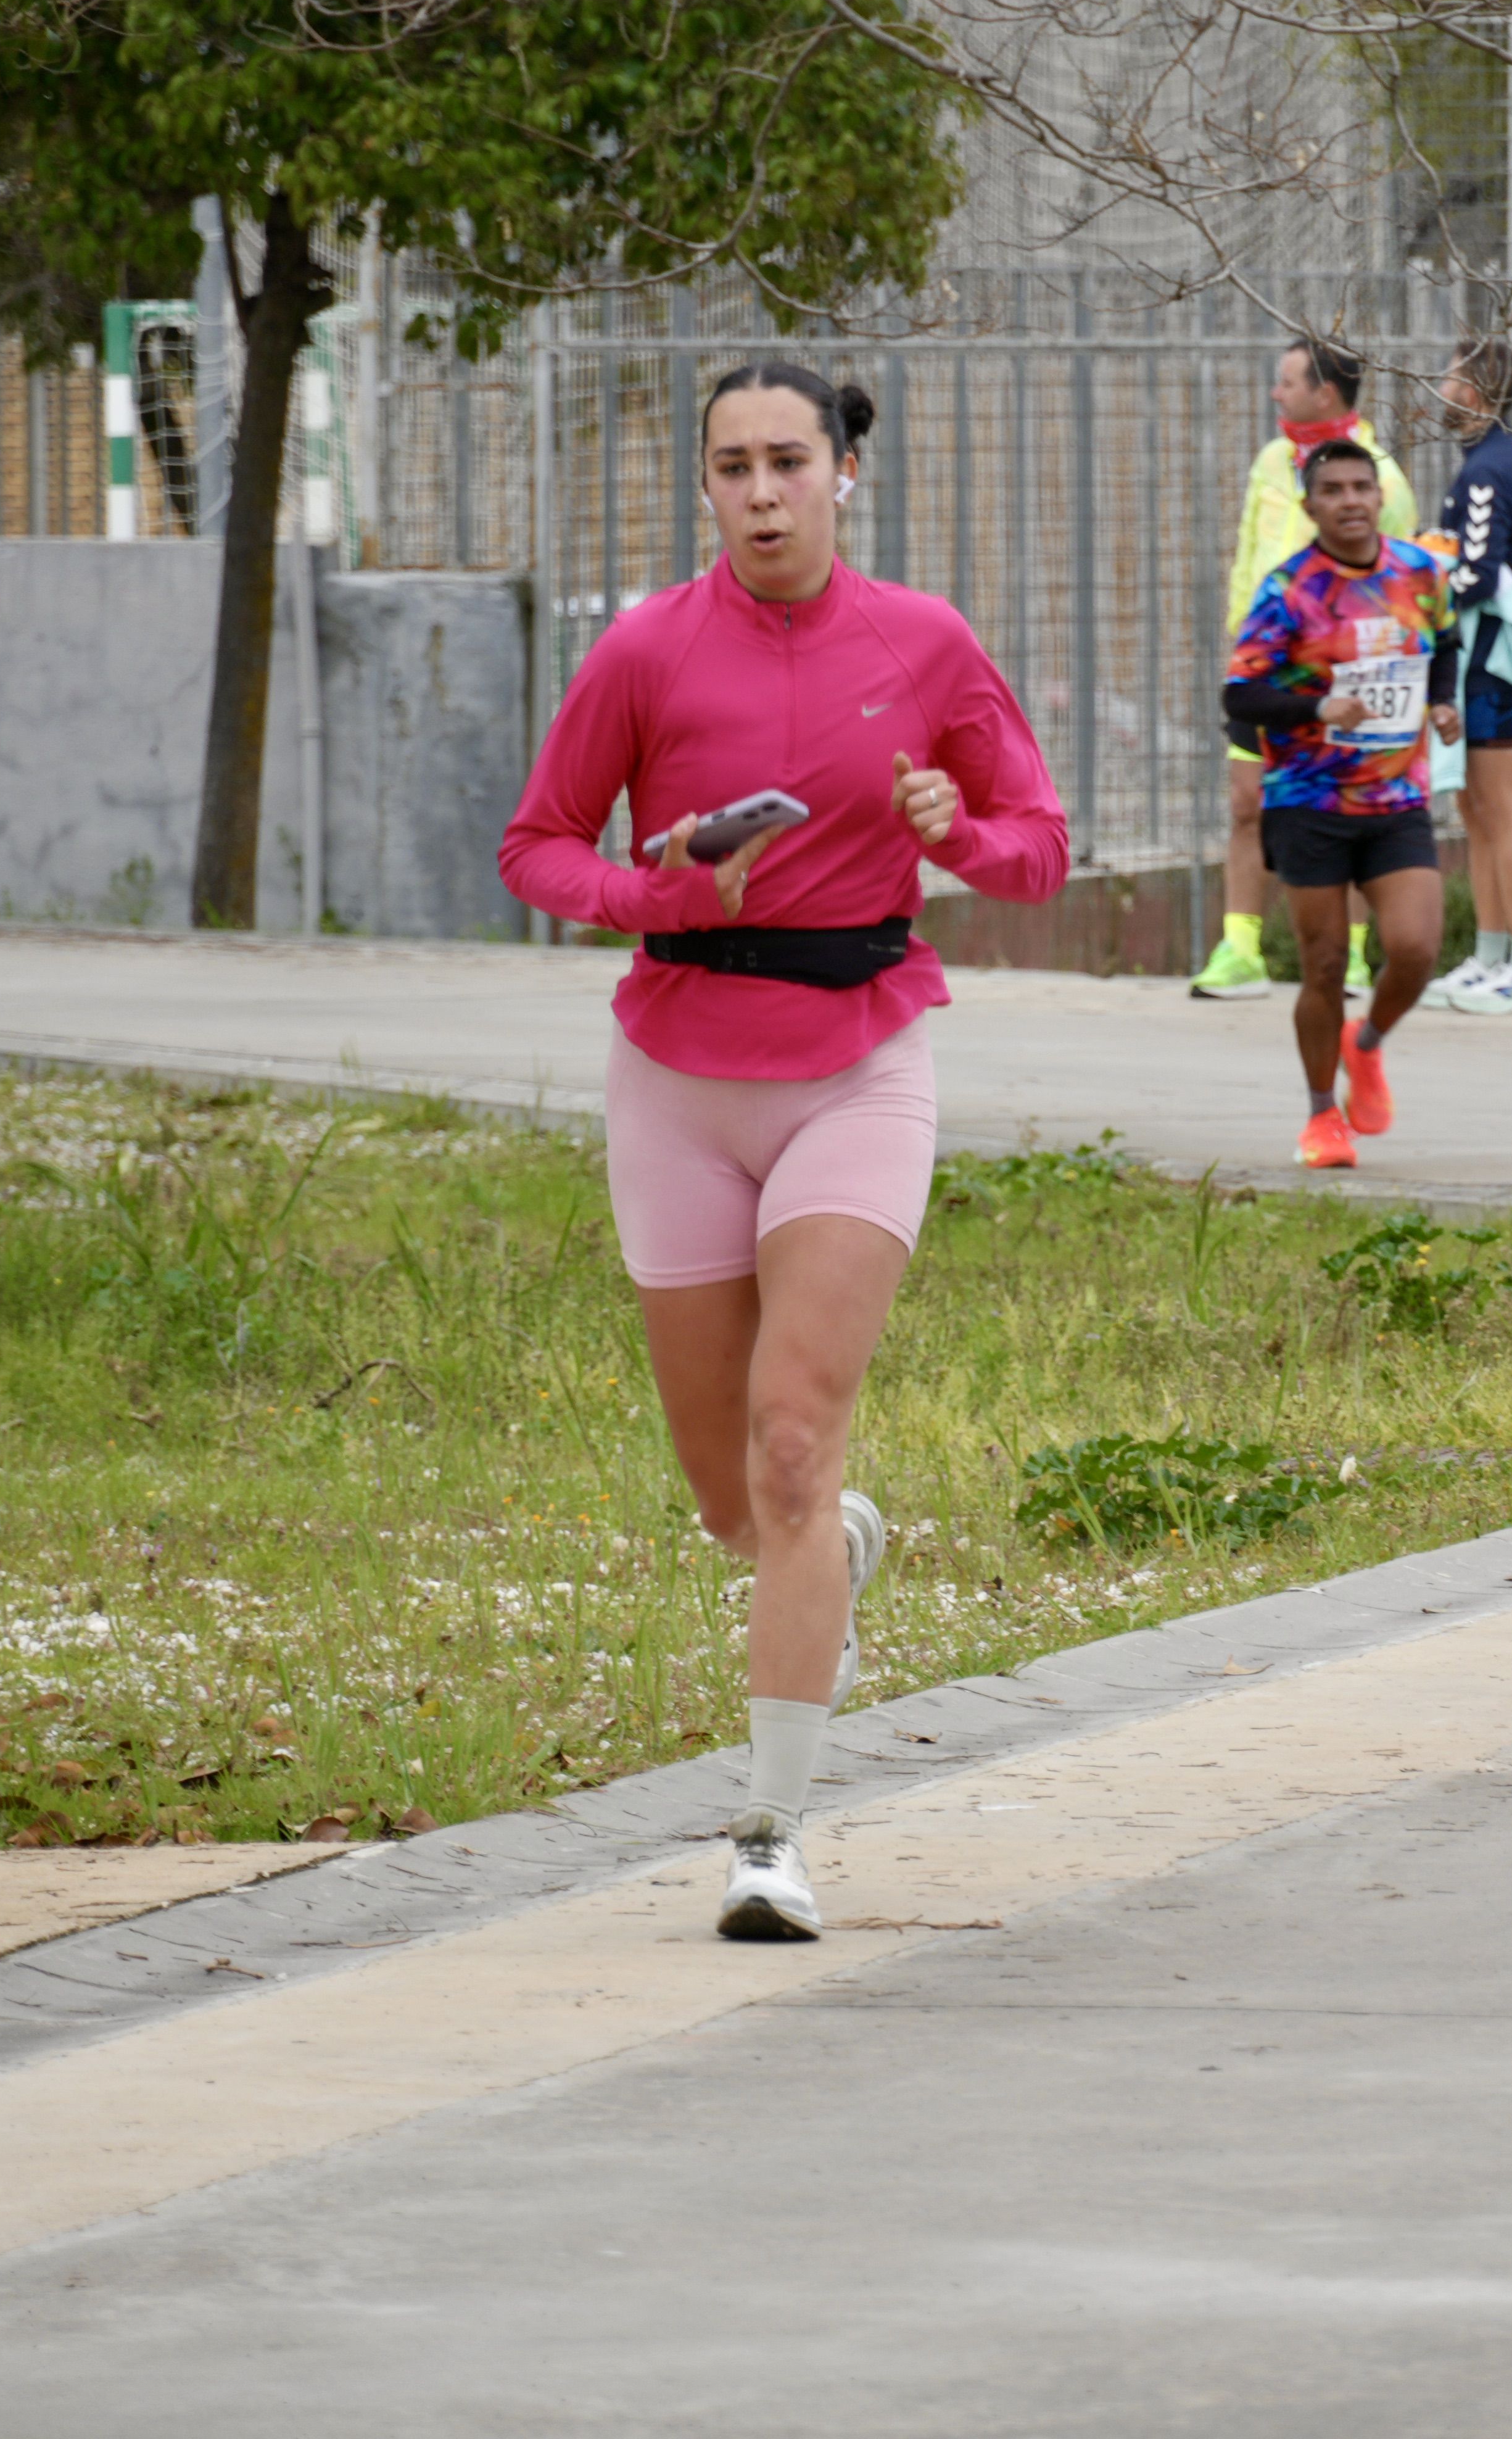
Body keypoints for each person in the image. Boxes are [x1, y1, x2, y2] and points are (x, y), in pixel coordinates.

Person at [497, 363, 1068, 1941]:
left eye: (789, 462)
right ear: (705, 488)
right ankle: (831, 1552)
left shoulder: (927, 644)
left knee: (795, 1442)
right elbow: (535, 844)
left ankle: (768, 1830)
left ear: (843, 473)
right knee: (728, 1494)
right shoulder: (643, 649)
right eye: (732, 466)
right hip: (675, 1070)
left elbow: (1039, 850)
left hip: (858, 1062)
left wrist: (952, 832)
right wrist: (667, 892)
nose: (762, 491)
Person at [1222, 438, 1455, 1167]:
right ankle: (1323, 1117)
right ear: (1311, 505)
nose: (1351, 500)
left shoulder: (1419, 572)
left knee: (1416, 949)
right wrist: (1321, 707)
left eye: (1363, 487)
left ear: (1379, 497)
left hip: (1395, 796)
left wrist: (1442, 704)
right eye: (1335, 490)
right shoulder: (1290, 589)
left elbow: (1443, 643)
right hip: (1310, 800)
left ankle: (1369, 1042)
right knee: (1323, 966)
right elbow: (1242, 692)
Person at [1191, 338, 1421, 1003]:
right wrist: (1242, 639)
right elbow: (1247, 553)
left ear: (1325, 392)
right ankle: (1240, 949)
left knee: (1343, 807)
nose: (1276, 393)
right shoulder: (1272, 462)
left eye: (1287, 382)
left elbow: (1397, 583)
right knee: (1245, 803)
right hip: (1268, 668)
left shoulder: (1382, 477)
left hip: (1341, 676)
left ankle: (1349, 957)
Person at [1432, 336, 1512, 1016]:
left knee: (1502, 805)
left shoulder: (1488, 469)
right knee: (1476, 808)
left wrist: (1421, 572)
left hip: (1485, 665)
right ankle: (1490, 954)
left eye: (1451, 378)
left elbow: (1476, 572)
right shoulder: (1503, 461)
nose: (1441, 388)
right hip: (1476, 663)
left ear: (1477, 393)